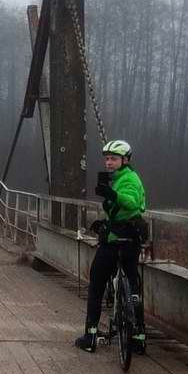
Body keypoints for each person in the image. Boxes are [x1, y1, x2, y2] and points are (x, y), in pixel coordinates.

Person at [75, 139, 148, 353]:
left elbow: (132, 203)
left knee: (97, 282)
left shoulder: (129, 179)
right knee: (133, 284)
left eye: (113, 159)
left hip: (117, 239)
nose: (109, 163)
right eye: (107, 159)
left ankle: (90, 336)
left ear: (125, 160)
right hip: (131, 237)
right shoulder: (118, 178)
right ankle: (138, 338)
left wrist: (111, 194)